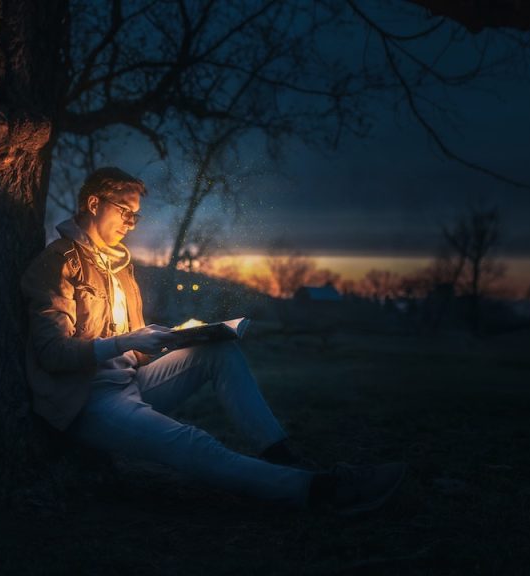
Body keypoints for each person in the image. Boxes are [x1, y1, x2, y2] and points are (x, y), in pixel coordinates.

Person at [21, 167, 405, 513]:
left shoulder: (121, 267)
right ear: (93, 203)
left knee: (218, 349)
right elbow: (52, 353)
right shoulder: (58, 264)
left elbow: (130, 347)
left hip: (130, 382)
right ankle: (319, 491)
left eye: (136, 215)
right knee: (193, 443)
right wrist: (126, 342)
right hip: (87, 401)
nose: (132, 223)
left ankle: (283, 458)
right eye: (126, 211)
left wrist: (172, 338)